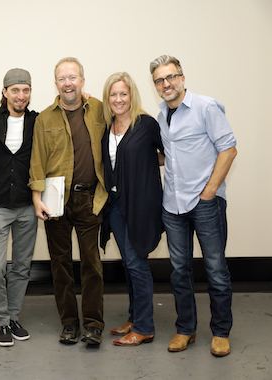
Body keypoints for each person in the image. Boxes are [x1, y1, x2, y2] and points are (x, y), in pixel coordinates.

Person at [149, 55, 237, 357]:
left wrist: (210, 191)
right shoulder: (162, 115)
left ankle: (221, 331)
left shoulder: (206, 106)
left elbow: (228, 148)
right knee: (179, 270)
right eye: (160, 80)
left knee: (215, 268)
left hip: (204, 203)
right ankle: (185, 328)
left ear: (182, 78)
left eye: (171, 77)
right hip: (172, 205)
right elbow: (169, 154)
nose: (166, 84)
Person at [29, 57, 107, 346]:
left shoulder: (99, 109)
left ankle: (93, 324)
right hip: (55, 199)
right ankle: (69, 324)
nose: (68, 83)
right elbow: (37, 161)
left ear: (82, 81)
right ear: (56, 83)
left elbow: (126, 120)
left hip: (90, 198)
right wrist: (37, 199)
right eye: (62, 78)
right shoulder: (44, 118)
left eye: (73, 77)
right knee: (60, 265)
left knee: (91, 264)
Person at [99, 72, 163, 346]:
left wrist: (144, 170)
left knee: (137, 265)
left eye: (123, 93)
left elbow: (167, 153)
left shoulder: (146, 125)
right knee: (129, 265)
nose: (118, 99)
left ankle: (145, 327)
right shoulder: (107, 127)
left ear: (132, 95)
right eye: (113, 94)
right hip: (114, 205)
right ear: (108, 99)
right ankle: (135, 318)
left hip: (138, 206)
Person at [0, 69, 39, 347]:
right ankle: (1, 321)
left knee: (21, 266)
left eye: (25, 90)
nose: (20, 96)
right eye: (15, 90)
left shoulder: (38, 121)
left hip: (27, 205)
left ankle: (13, 317)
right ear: (5, 91)